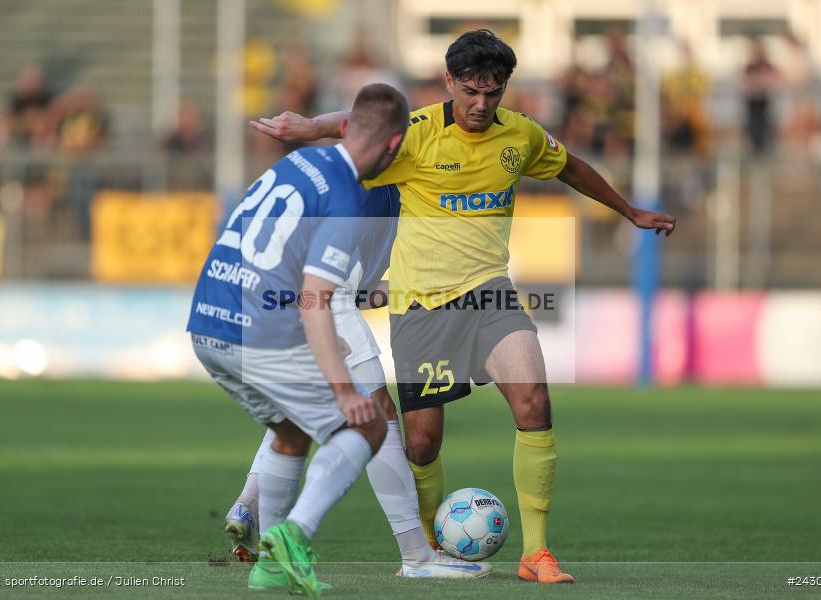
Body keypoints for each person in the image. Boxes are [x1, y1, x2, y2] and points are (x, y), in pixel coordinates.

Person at [252, 29, 676, 585]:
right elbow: (360, 124)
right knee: (423, 443)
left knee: (534, 403)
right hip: (421, 307)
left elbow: (569, 165)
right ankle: (427, 547)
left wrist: (629, 211)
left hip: (491, 294)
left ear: (504, 89)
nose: (481, 104)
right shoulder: (419, 134)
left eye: (493, 93)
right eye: (471, 91)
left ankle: (537, 553)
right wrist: (309, 127)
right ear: (450, 82)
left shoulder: (518, 136)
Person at [187, 83, 411, 596]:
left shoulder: (291, 167)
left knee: (290, 431)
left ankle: (268, 566)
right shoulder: (349, 199)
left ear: (345, 127)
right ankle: (294, 535)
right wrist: (341, 388)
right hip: (260, 333)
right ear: (395, 147)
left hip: (207, 319)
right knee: (368, 425)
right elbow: (317, 299)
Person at [223, 183, 491, 580]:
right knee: (378, 416)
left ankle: (249, 505)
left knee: (303, 412)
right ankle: (416, 556)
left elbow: (369, 288)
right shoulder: (391, 181)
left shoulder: (374, 189)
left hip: (279, 292)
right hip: (322, 296)